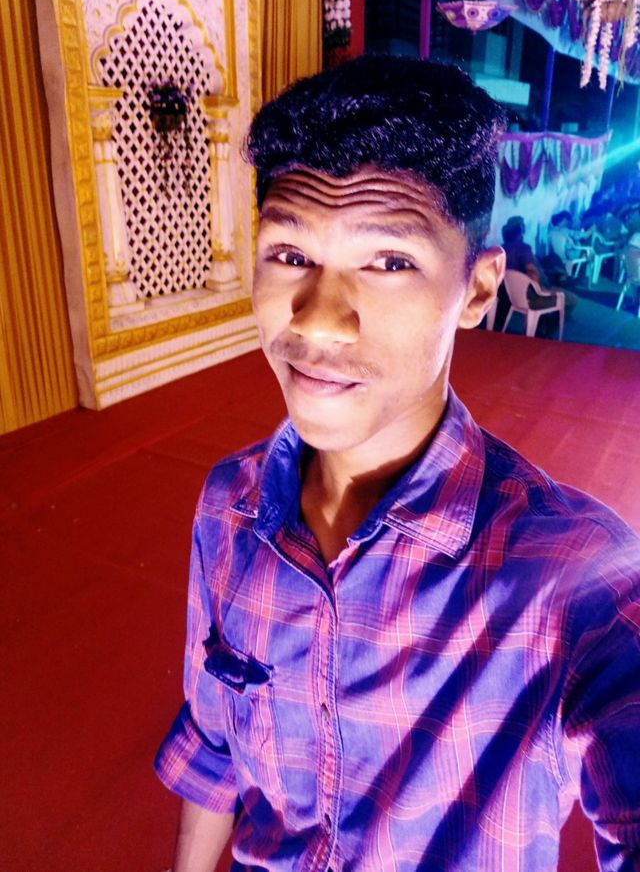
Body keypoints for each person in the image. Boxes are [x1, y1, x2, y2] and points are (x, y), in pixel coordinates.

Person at [155, 56, 640, 872]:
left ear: (478, 288)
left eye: (389, 262)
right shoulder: (228, 506)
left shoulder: (578, 581)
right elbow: (211, 748)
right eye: (289, 253)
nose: (319, 319)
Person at [501, 216, 577, 323]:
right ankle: (545, 327)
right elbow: (531, 272)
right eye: (523, 229)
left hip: (510, 294)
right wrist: (542, 291)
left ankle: (560, 279)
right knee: (572, 299)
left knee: (551, 262)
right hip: (531, 297)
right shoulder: (524, 248)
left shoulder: (501, 249)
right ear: (520, 232)